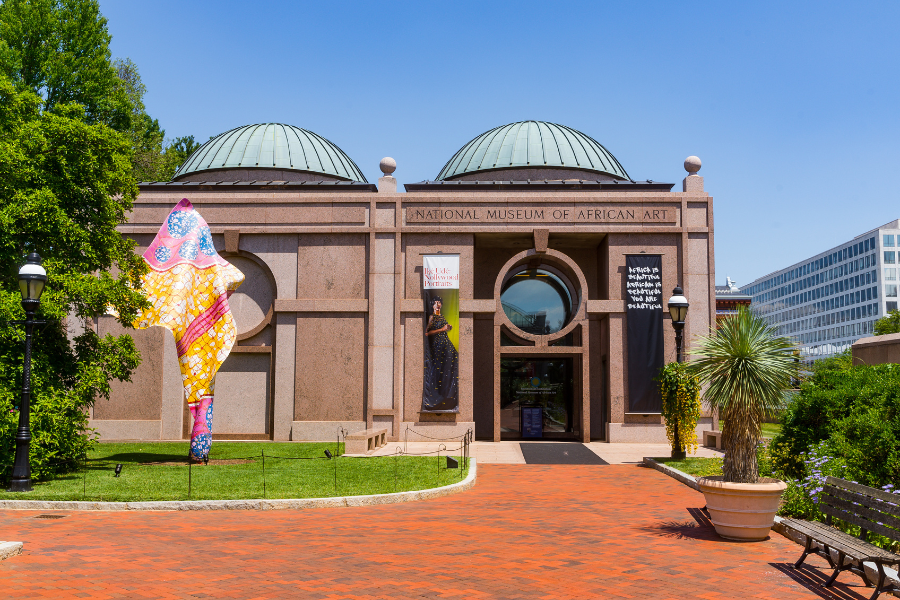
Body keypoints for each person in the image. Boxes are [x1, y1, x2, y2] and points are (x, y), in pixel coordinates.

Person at [422, 296, 459, 412]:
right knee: (438, 368)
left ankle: (448, 393)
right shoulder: (432, 317)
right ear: (432, 305)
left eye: (439, 302)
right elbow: (427, 333)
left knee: (452, 362)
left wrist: (448, 327)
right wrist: (442, 329)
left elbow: (445, 327)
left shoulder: (442, 316)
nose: (438, 304)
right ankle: (436, 396)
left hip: (446, 343)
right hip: (438, 345)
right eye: (436, 303)